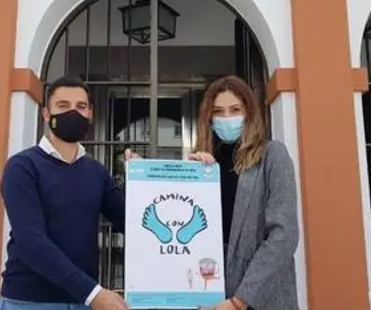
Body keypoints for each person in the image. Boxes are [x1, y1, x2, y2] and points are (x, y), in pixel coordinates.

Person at [126, 75, 299, 310]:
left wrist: (240, 300)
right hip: (210, 292)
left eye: (235, 109)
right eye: (218, 112)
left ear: (249, 113)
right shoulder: (202, 166)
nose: (227, 118)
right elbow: (171, 205)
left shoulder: (273, 155)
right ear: (209, 118)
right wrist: (142, 174)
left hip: (261, 298)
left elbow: (284, 235)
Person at [0, 77, 128, 310]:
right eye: (63, 106)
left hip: (82, 302)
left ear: (90, 114)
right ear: (46, 114)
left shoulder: (97, 172)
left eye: (81, 106)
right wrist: (93, 294)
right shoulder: (22, 167)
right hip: (29, 302)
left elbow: (133, 222)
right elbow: (31, 243)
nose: (73, 113)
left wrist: (144, 178)